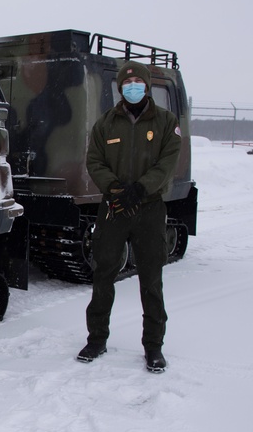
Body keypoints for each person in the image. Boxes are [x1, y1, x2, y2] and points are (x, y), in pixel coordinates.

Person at [76, 60, 181, 373]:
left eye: (138, 83)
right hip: (114, 208)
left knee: (151, 279)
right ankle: (96, 339)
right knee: (103, 274)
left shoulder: (165, 121)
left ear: (146, 87)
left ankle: (153, 347)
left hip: (149, 209)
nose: (132, 88)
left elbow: (168, 162)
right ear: (120, 88)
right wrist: (117, 189)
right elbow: (94, 161)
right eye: (127, 84)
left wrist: (141, 189)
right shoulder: (105, 124)